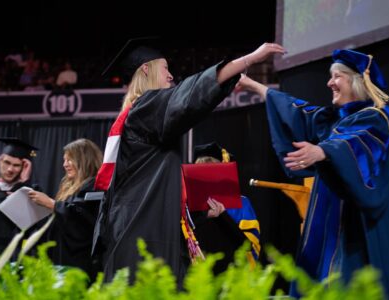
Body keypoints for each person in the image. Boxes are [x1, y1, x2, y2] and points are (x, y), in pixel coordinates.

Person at [92, 41, 285, 286]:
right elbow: (190, 95)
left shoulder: (130, 117)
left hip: (133, 235)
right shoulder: (145, 109)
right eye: (165, 68)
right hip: (145, 243)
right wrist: (248, 59)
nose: (171, 75)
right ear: (145, 70)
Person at [237, 49, 389, 299]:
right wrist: (253, 85)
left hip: (362, 233)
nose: (329, 83)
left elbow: (359, 145)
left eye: (336, 77)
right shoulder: (338, 120)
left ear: (357, 81)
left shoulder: (376, 119)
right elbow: (300, 112)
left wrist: (324, 151)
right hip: (336, 228)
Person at [27, 138, 103, 280]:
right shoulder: (69, 187)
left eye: (69, 160)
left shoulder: (94, 187)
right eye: (64, 160)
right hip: (61, 259)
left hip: (80, 263)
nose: (65, 165)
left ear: (84, 160)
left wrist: (52, 204)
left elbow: (84, 220)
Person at [190, 142, 261, 274]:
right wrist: (205, 217)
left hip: (232, 275)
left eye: (212, 171)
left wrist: (223, 216)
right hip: (200, 279)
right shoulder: (189, 206)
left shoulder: (241, 203)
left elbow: (248, 246)